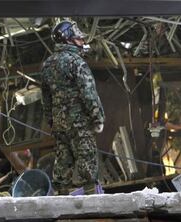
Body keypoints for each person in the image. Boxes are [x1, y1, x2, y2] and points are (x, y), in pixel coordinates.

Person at [41, 20, 105, 195]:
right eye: (78, 39)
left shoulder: (47, 65)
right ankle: (94, 206)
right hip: (80, 124)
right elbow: (89, 93)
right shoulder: (76, 63)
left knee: (62, 164)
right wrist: (98, 118)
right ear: (68, 40)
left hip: (60, 125)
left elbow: (46, 98)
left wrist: (51, 121)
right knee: (88, 165)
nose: (82, 42)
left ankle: (60, 208)